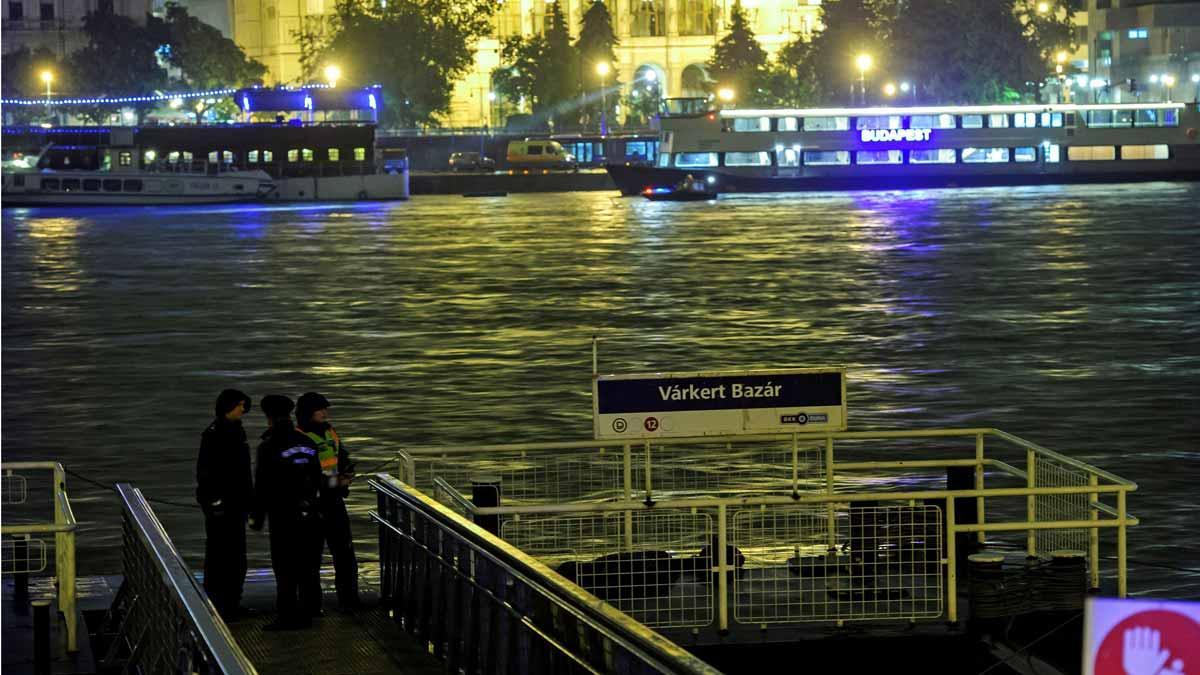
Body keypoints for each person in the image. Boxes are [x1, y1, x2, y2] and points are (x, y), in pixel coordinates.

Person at [251, 395, 324, 630]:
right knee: (307, 564)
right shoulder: (307, 442)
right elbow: (316, 478)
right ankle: (309, 610)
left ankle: (287, 615)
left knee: (284, 566)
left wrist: (257, 517)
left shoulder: (268, 446)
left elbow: (262, 485)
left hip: (282, 514)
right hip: (309, 511)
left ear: (269, 417)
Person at [295, 391, 360, 610]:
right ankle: (311, 606)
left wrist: (347, 471)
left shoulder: (331, 433)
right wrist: (336, 482)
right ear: (307, 412)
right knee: (310, 559)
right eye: (320, 409)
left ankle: (349, 601)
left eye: (325, 409)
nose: (324, 413)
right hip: (312, 506)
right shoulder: (300, 437)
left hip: (334, 502)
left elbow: (341, 457)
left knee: (344, 554)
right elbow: (306, 478)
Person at [196, 388, 254, 620]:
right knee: (221, 555)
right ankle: (220, 603)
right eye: (239, 405)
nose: (243, 409)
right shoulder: (215, 434)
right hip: (223, 508)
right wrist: (215, 503)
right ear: (228, 406)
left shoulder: (234, 431)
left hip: (236, 505)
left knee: (235, 556)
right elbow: (206, 472)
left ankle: (231, 602)